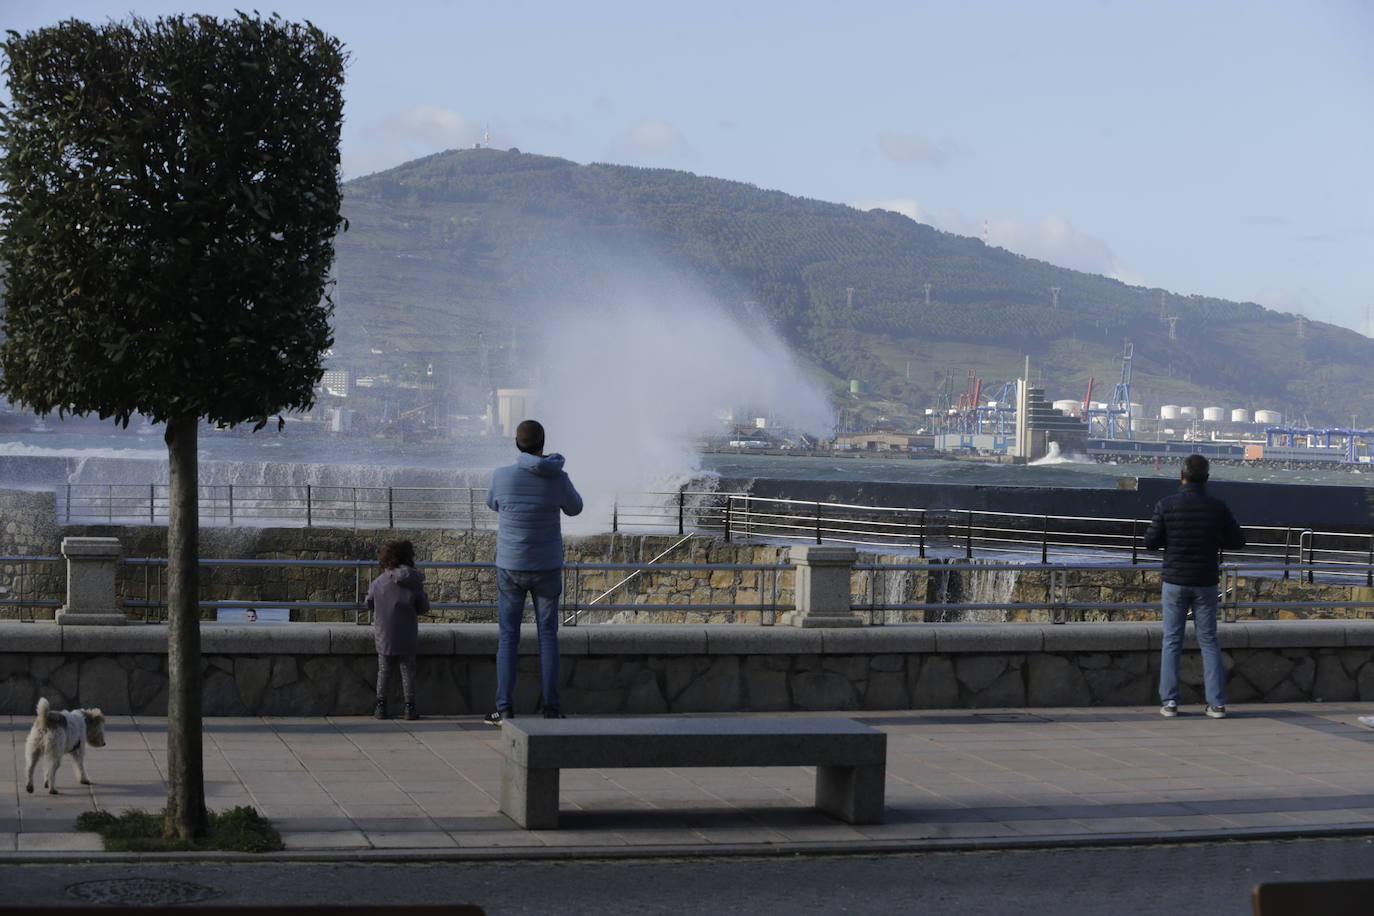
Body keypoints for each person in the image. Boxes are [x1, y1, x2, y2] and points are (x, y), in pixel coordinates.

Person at [484, 419, 583, 724]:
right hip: (547, 566)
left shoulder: (501, 477)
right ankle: (551, 709)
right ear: (543, 443)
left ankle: (504, 709)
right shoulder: (558, 477)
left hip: (511, 565)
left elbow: (493, 504)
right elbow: (575, 507)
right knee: (548, 637)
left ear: (517, 443)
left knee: (508, 638)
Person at [1143, 454, 1245, 719]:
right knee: (1209, 640)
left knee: (1172, 640)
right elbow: (1238, 540)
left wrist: (1171, 536)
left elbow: (1150, 542)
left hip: (1175, 581)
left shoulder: (1166, 505)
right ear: (1207, 478)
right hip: (1206, 581)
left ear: (1182, 476)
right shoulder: (1217, 507)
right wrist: (1214, 537)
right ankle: (1217, 703)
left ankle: (1170, 702)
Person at [366, 539, 430, 721]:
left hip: (385, 633)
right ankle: (410, 708)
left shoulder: (379, 582)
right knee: (408, 670)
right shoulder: (414, 581)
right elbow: (424, 607)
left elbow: (368, 602)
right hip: (407, 634)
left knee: (384, 670)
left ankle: (381, 706)